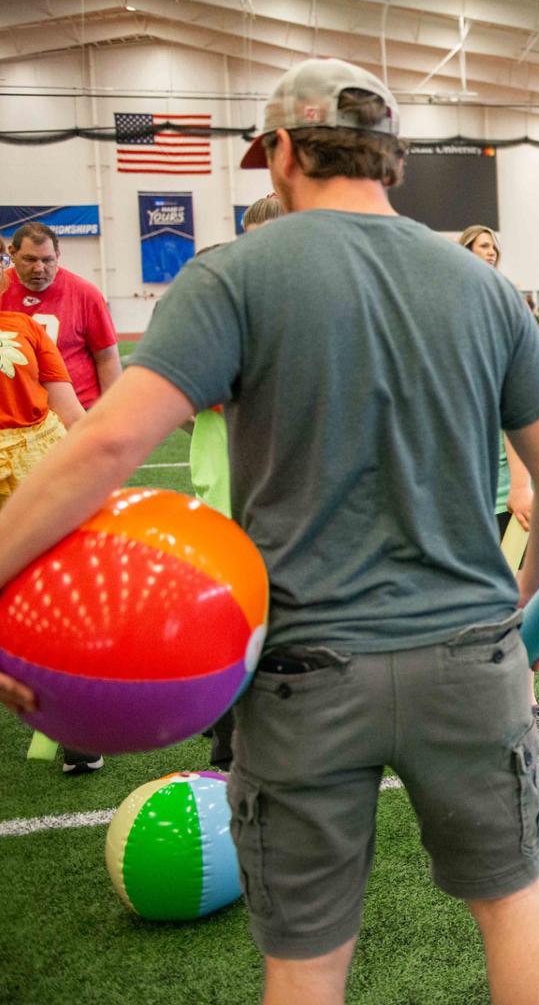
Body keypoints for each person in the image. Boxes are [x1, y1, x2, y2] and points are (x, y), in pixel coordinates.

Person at [0, 59, 539, 1005]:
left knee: (307, 958)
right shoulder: (483, 285)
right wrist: (526, 620)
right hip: (469, 655)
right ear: (389, 160)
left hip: (304, 670)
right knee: (513, 905)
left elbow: (108, 444)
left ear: (284, 151)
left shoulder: (236, 275)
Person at [0, 221, 85, 772]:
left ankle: (73, 726)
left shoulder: (26, 326)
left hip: (31, 477)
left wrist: (91, 476)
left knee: (52, 602)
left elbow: (71, 413)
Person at [196, 193, 286, 773]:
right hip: (228, 494)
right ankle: (228, 738)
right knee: (233, 619)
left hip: (284, 498)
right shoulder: (226, 301)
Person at [461, 224, 539, 753]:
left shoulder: (504, 315)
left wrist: (520, 484)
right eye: (480, 247)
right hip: (457, 491)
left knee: (515, 603)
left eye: (494, 248)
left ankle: (527, 706)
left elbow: (515, 408)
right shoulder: (445, 312)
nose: (489, 255)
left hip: (500, 490)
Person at [0, 222, 121, 409]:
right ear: (12, 253)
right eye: (30, 259)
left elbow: (107, 358)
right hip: (15, 411)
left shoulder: (85, 294)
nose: (39, 268)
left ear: (58, 256)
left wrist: (112, 412)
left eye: (47, 260)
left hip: (77, 409)